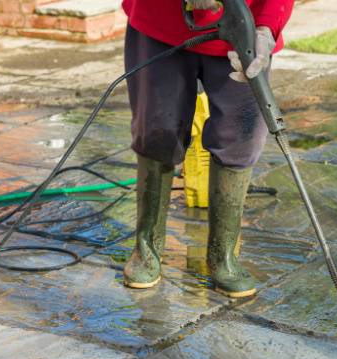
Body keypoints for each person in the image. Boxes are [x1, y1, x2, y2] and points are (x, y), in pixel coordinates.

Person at [120, 0, 294, 297]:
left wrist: (266, 26)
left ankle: (222, 257)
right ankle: (147, 249)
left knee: (241, 136)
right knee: (156, 132)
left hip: (243, 26)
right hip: (161, 21)